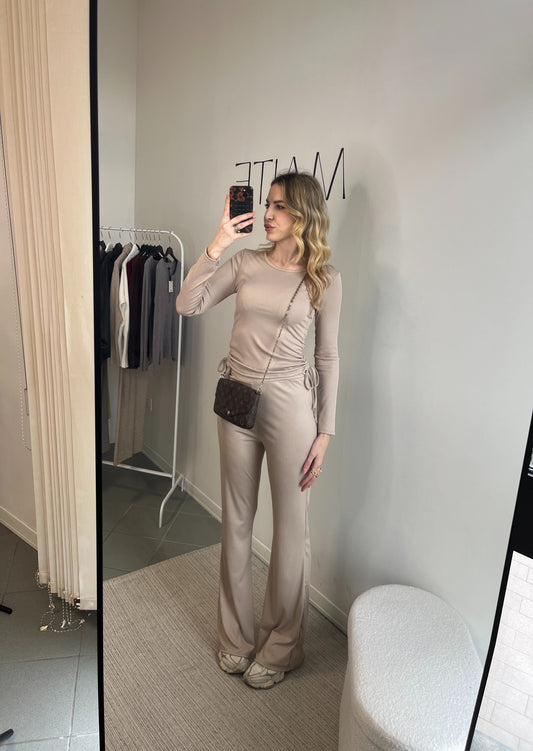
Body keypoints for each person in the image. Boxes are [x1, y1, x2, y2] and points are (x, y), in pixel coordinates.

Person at [175, 172, 342, 689]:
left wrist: (325, 432)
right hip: (237, 401)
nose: (268, 214)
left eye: (281, 206)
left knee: (291, 530)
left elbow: (328, 357)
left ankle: (283, 645)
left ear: (305, 214)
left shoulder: (324, 278)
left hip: (292, 408)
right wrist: (219, 242)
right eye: (267, 204)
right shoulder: (245, 263)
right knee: (237, 521)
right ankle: (236, 639)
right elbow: (187, 304)